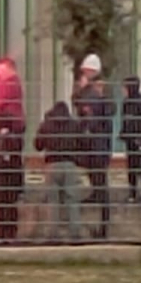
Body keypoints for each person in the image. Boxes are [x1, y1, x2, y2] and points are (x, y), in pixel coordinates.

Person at [72, 54, 115, 239]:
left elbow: (85, 109)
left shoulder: (95, 91)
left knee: (101, 183)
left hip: (96, 144)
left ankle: (104, 228)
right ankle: (102, 224)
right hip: (97, 144)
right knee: (98, 181)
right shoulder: (98, 91)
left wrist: (81, 92)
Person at [35, 102, 86, 241]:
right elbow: (83, 143)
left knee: (52, 201)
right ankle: (75, 233)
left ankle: (53, 234)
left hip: (52, 164)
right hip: (70, 164)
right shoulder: (74, 125)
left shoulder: (47, 124)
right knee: (72, 199)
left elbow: (38, 145)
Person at [0, 58, 25, 241]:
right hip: (5, 142)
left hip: (9, 141)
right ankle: (4, 233)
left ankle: (8, 232)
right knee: (1, 192)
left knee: (6, 191)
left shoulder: (11, 84)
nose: (0, 74)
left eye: (2, 70)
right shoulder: (10, 85)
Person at [120, 76, 141, 203]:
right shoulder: (126, 102)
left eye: (124, 87)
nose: (122, 90)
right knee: (131, 167)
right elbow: (126, 121)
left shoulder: (140, 102)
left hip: (140, 140)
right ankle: (132, 192)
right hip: (130, 140)